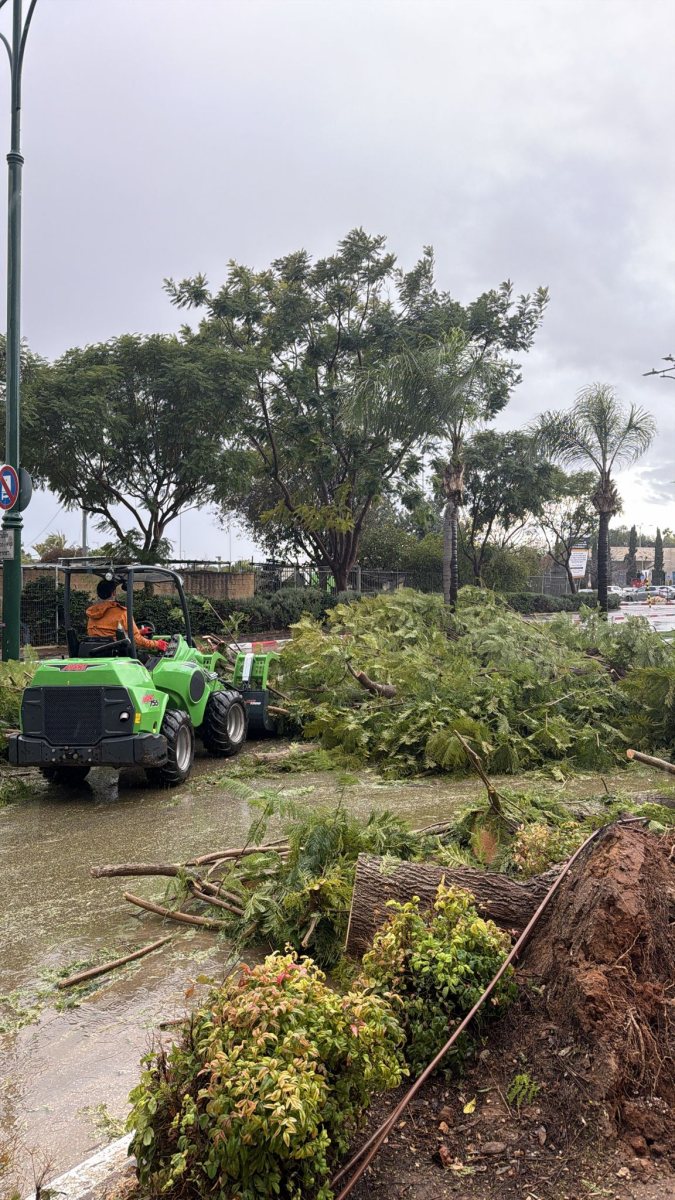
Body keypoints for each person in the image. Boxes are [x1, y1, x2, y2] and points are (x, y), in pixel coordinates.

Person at [86, 578, 168, 653]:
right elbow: (136, 640)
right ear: (114, 593)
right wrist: (157, 644)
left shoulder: (92, 613)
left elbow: (107, 634)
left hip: (96, 653)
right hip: (116, 655)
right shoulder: (122, 613)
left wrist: (139, 631)